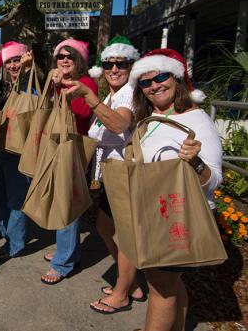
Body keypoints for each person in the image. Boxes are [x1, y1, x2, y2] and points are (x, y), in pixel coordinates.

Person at [129, 48, 221, 331]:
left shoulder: (196, 120)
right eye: (145, 82)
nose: (154, 85)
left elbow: (215, 180)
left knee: (161, 288)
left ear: (176, 78)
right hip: (156, 213)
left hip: (180, 216)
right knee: (170, 284)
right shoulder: (151, 119)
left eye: (160, 77)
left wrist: (195, 161)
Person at [65, 35, 146, 313]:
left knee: (124, 235)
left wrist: (90, 99)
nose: (114, 69)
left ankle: (122, 292)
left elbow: (120, 123)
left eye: (120, 63)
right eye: (109, 63)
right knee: (104, 225)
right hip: (108, 172)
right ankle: (129, 280)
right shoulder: (114, 93)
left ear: (131, 66)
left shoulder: (129, 93)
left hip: (124, 172)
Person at [41, 38, 97, 285]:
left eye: (70, 56)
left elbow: (83, 113)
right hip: (60, 146)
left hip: (75, 149)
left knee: (67, 204)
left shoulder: (86, 83)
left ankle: (63, 262)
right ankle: (68, 250)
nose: (64, 60)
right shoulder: (59, 82)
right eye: (60, 56)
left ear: (80, 61)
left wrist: (62, 86)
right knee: (62, 200)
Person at [0, 41, 34, 260]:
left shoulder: (30, 84)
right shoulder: (5, 85)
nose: (14, 65)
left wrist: (27, 69)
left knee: (16, 199)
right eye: (10, 62)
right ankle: (7, 231)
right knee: (1, 191)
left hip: (19, 151)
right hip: (3, 148)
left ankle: (15, 244)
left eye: (17, 60)